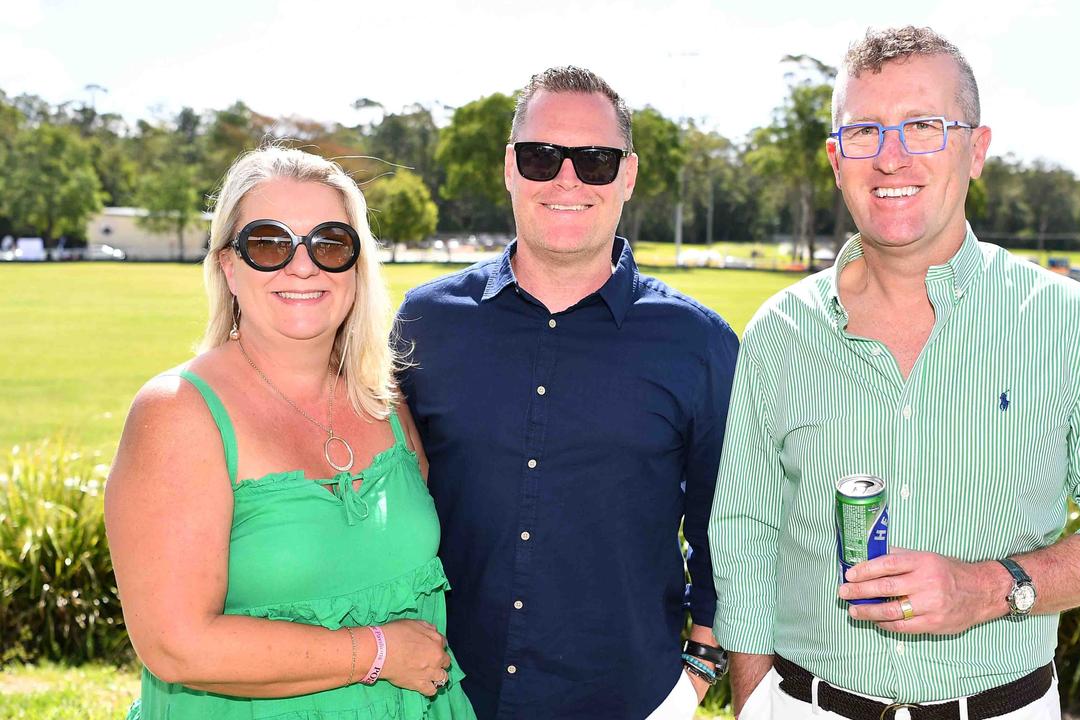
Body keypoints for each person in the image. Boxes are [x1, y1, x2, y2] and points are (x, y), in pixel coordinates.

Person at [709, 27, 1080, 720]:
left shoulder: (1072, 322)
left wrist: (992, 588)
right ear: (836, 159)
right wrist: (753, 704)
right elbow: (746, 532)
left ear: (976, 150)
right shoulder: (779, 332)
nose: (890, 157)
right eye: (863, 132)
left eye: (923, 126)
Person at [395, 66, 739, 720]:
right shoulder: (425, 323)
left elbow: (731, 533)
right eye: (541, 156)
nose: (566, 180)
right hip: (444, 699)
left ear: (628, 176)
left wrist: (696, 673)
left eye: (596, 161)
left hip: (628, 699)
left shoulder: (698, 344)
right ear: (508, 167)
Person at [105, 146, 476, 719]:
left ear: (357, 264)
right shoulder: (179, 413)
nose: (301, 266)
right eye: (269, 242)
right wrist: (376, 652)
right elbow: (175, 646)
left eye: (329, 242)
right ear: (228, 265)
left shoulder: (385, 402)